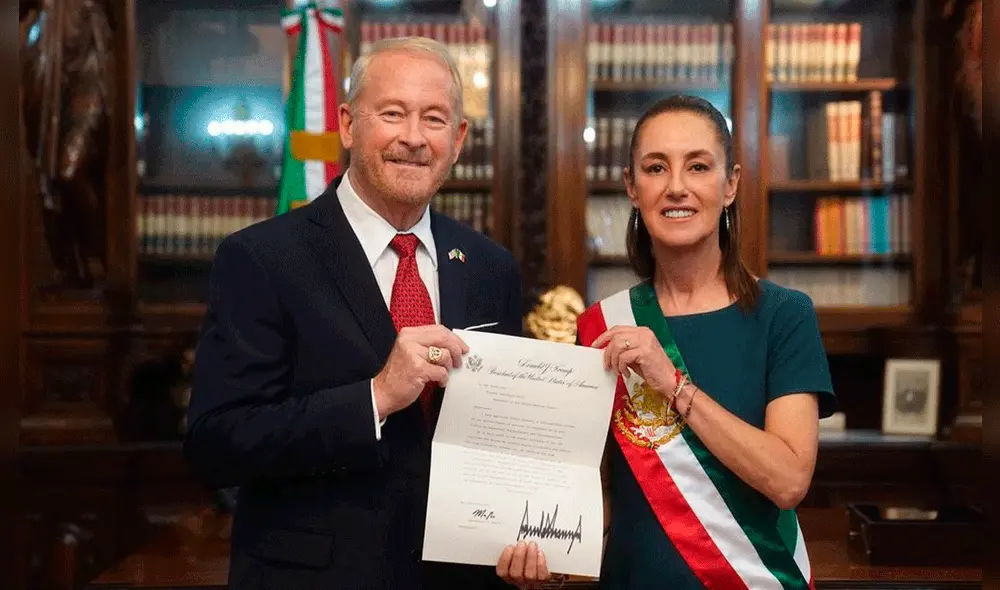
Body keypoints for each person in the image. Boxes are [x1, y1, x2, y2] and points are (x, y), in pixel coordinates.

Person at [184, 36, 522, 590]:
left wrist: (529, 529)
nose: (413, 138)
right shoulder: (261, 258)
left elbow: (502, 444)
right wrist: (376, 398)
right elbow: (215, 445)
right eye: (392, 114)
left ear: (458, 139)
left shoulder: (491, 269)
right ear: (346, 124)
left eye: (434, 119)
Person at [500, 95, 836, 589]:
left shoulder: (784, 316)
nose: (676, 187)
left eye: (698, 167)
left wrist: (673, 384)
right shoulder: (599, 327)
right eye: (656, 168)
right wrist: (548, 561)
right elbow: (601, 498)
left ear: (730, 185)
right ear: (632, 188)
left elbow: (788, 481)